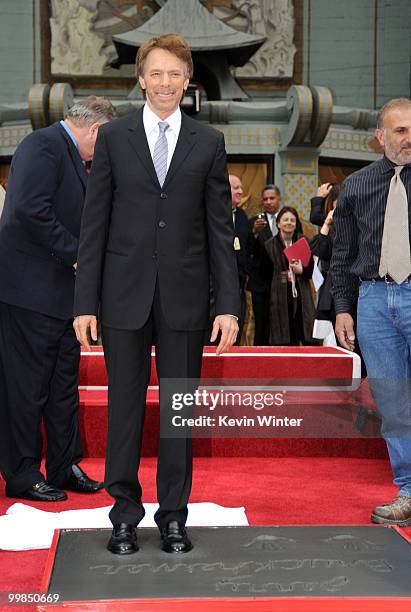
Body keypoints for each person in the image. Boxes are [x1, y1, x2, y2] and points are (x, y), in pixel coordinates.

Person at [73, 34, 240, 555]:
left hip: (185, 299)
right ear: (141, 78)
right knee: (124, 409)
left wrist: (229, 306)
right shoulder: (115, 138)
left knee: (178, 411)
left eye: (176, 74)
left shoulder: (208, 141)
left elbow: (219, 230)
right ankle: (123, 514)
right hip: (122, 296)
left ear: (187, 80)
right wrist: (84, 303)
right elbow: (93, 225)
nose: (166, 83)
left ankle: (173, 516)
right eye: (157, 74)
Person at [0, 96, 116, 502]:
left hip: (61, 299)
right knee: (26, 387)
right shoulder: (42, 144)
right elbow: (28, 211)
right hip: (29, 293)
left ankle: (64, 465)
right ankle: (21, 473)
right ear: (97, 131)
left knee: (63, 387)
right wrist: (78, 254)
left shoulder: (69, 154)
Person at [331, 97, 411, 526]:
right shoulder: (357, 186)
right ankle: (408, 489)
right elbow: (342, 254)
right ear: (380, 136)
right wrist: (342, 308)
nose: (408, 139)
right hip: (374, 302)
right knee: (393, 400)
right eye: (400, 131)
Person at [262, 206, 316, 346]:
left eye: (292, 220)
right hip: (279, 296)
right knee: (284, 335)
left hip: (302, 294)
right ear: (278, 223)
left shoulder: (304, 241)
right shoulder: (269, 245)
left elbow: (310, 272)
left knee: (305, 331)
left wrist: (301, 271)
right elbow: (264, 275)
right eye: (285, 219)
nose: (289, 223)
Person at [247, 185, 282, 344]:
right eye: (265, 199)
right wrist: (254, 233)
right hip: (260, 283)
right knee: (261, 323)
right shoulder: (254, 222)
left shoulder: (288, 219)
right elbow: (246, 250)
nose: (268, 202)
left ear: (279, 199)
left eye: (272, 198)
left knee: (280, 322)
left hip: (281, 282)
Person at [309, 183, 341, 323]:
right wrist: (327, 224)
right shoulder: (330, 228)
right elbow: (319, 250)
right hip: (332, 287)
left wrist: (318, 200)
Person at [229, 174, 253, 343]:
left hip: (238, 283)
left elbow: (247, 248)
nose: (241, 192)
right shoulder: (210, 212)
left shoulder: (243, 216)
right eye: (236, 188)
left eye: (241, 187)